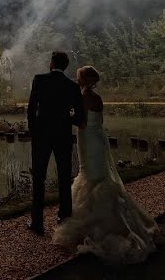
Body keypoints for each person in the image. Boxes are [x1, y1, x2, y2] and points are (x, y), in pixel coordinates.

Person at [53, 65, 157, 264]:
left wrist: (67, 114)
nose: (77, 80)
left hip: (88, 140)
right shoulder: (97, 97)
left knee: (90, 176)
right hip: (98, 139)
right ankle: (116, 217)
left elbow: (81, 123)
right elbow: (97, 120)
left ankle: (97, 224)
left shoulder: (83, 97)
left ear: (84, 80)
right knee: (100, 176)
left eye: (79, 78)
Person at [27, 51, 84, 235]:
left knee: (39, 178)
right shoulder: (72, 87)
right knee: (64, 176)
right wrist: (68, 118)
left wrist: (34, 132)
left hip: (41, 136)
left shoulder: (39, 80)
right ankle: (64, 217)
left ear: (52, 63)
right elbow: (79, 116)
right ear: (65, 66)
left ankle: (37, 223)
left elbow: (31, 109)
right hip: (63, 136)